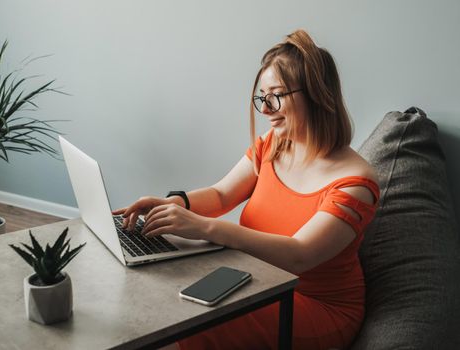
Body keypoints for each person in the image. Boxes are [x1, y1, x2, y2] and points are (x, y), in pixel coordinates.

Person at [113, 29, 379, 350]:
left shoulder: (355, 183)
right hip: (257, 282)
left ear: (316, 94)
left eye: (276, 95)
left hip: (316, 307)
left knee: (188, 327)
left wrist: (207, 228)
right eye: (261, 97)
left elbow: (299, 255)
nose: (265, 109)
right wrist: (174, 203)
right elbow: (222, 195)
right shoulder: (274, 144)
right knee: (161, 296)